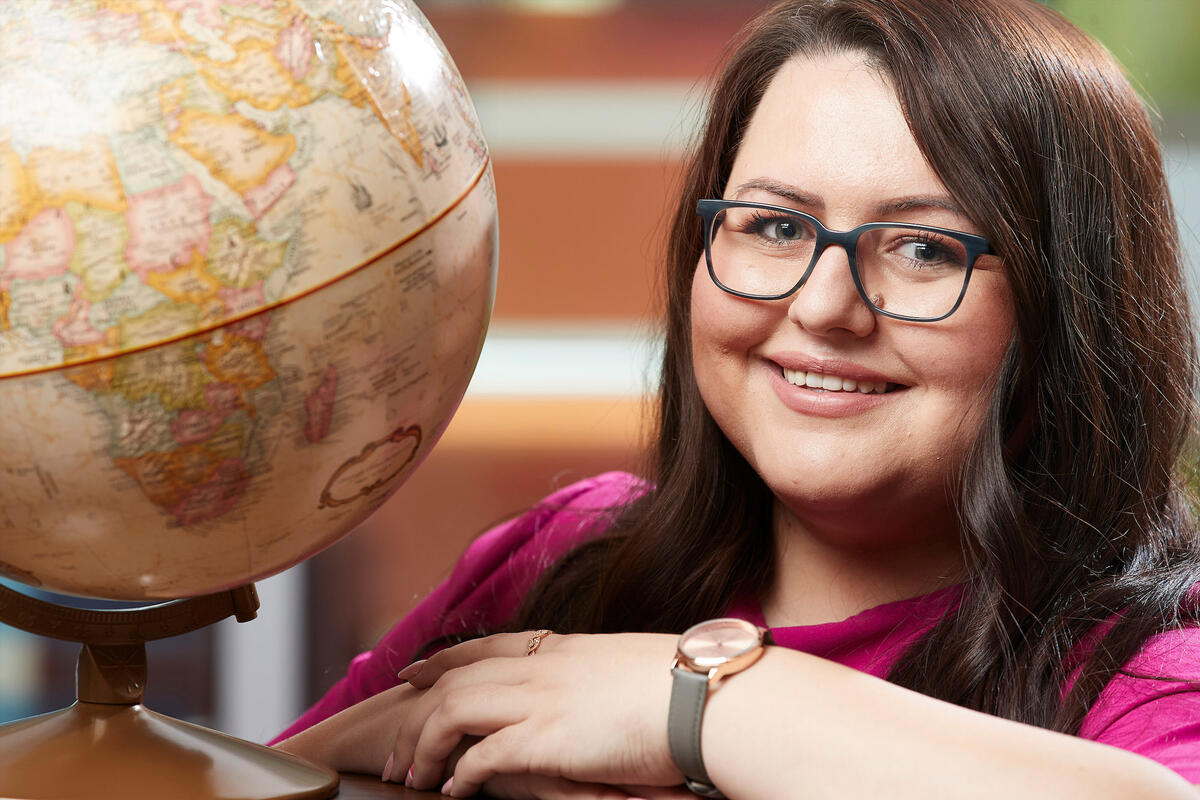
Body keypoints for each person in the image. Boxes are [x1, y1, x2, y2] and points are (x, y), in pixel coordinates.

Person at [272, 0, 1200, 797]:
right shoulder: (570, 556)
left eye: (925, 248)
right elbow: (255, 774)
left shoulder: (1154, 676)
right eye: (775, 226)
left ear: (1072, 309)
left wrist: (689, 704)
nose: (822, 306)